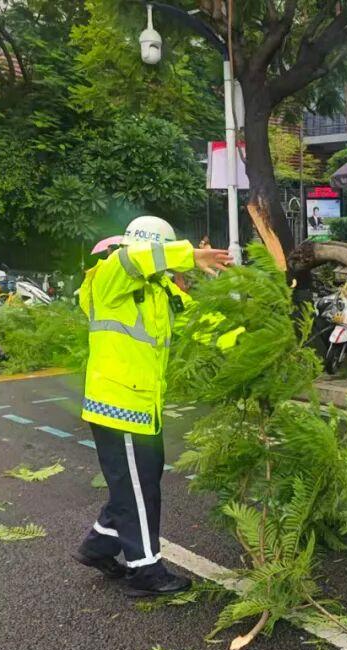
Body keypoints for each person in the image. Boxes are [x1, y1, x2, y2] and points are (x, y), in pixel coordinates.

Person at [72, 216, 234, 597]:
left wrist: (249, 342)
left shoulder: (160, 291)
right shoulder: (111, 274)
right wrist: (189, 255)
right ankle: (145, 571)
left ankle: (99, 544)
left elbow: (201, 323)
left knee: (137, 483)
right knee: (139, 490)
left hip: (143, 407)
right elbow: (136, 259)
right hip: (118, 406)